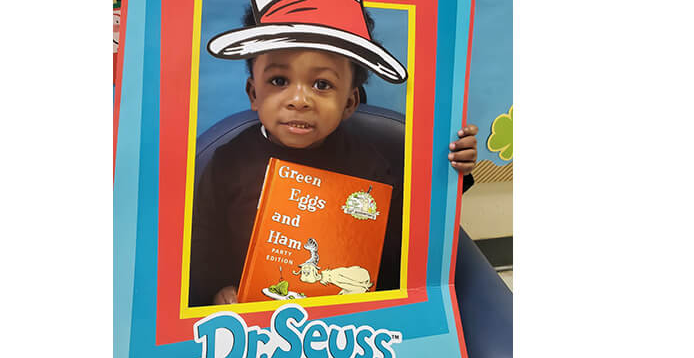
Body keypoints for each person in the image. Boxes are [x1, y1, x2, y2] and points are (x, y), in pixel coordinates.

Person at [187, 44, 479, 306]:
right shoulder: (229, 161)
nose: (299, 100)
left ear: (349, 103)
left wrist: (452, 167)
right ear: (254, 93)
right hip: (255, 317)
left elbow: (412, 228)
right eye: (279, 81)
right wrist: (218, 288)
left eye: (321, 84)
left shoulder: (370, 166)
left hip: (347, 324)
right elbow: (203, 242)